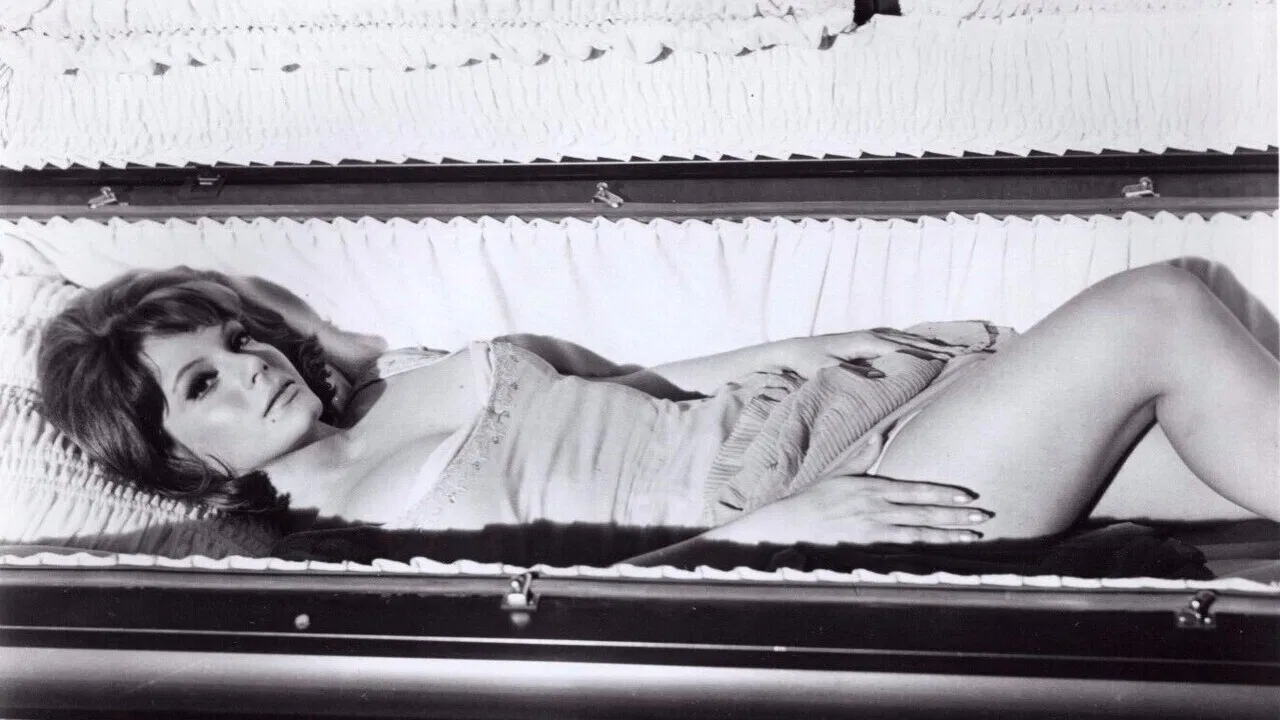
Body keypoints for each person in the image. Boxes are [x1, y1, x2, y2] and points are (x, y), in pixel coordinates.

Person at [35, 259, 1279, 551]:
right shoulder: (332, 540)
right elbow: (542, 632)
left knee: (1207, 358)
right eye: (203, 382)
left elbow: (657, 385)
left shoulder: (397, 387)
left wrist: (843, 340)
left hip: (832, 415)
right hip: (804, 510)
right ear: (175, 459)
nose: (253, 362)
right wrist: (763, 541)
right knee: (1161, 307)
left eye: (238, 338)